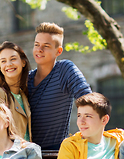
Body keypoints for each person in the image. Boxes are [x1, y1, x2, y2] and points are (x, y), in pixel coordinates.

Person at [27, 22, 92, 150]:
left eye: (46, 46)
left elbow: (88, 98)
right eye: (36, 45)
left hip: (56, 153)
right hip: (25, 155)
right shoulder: (26, 79)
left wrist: (85, 132)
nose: (39, 49)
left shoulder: (64, 70)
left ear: (58, 51)